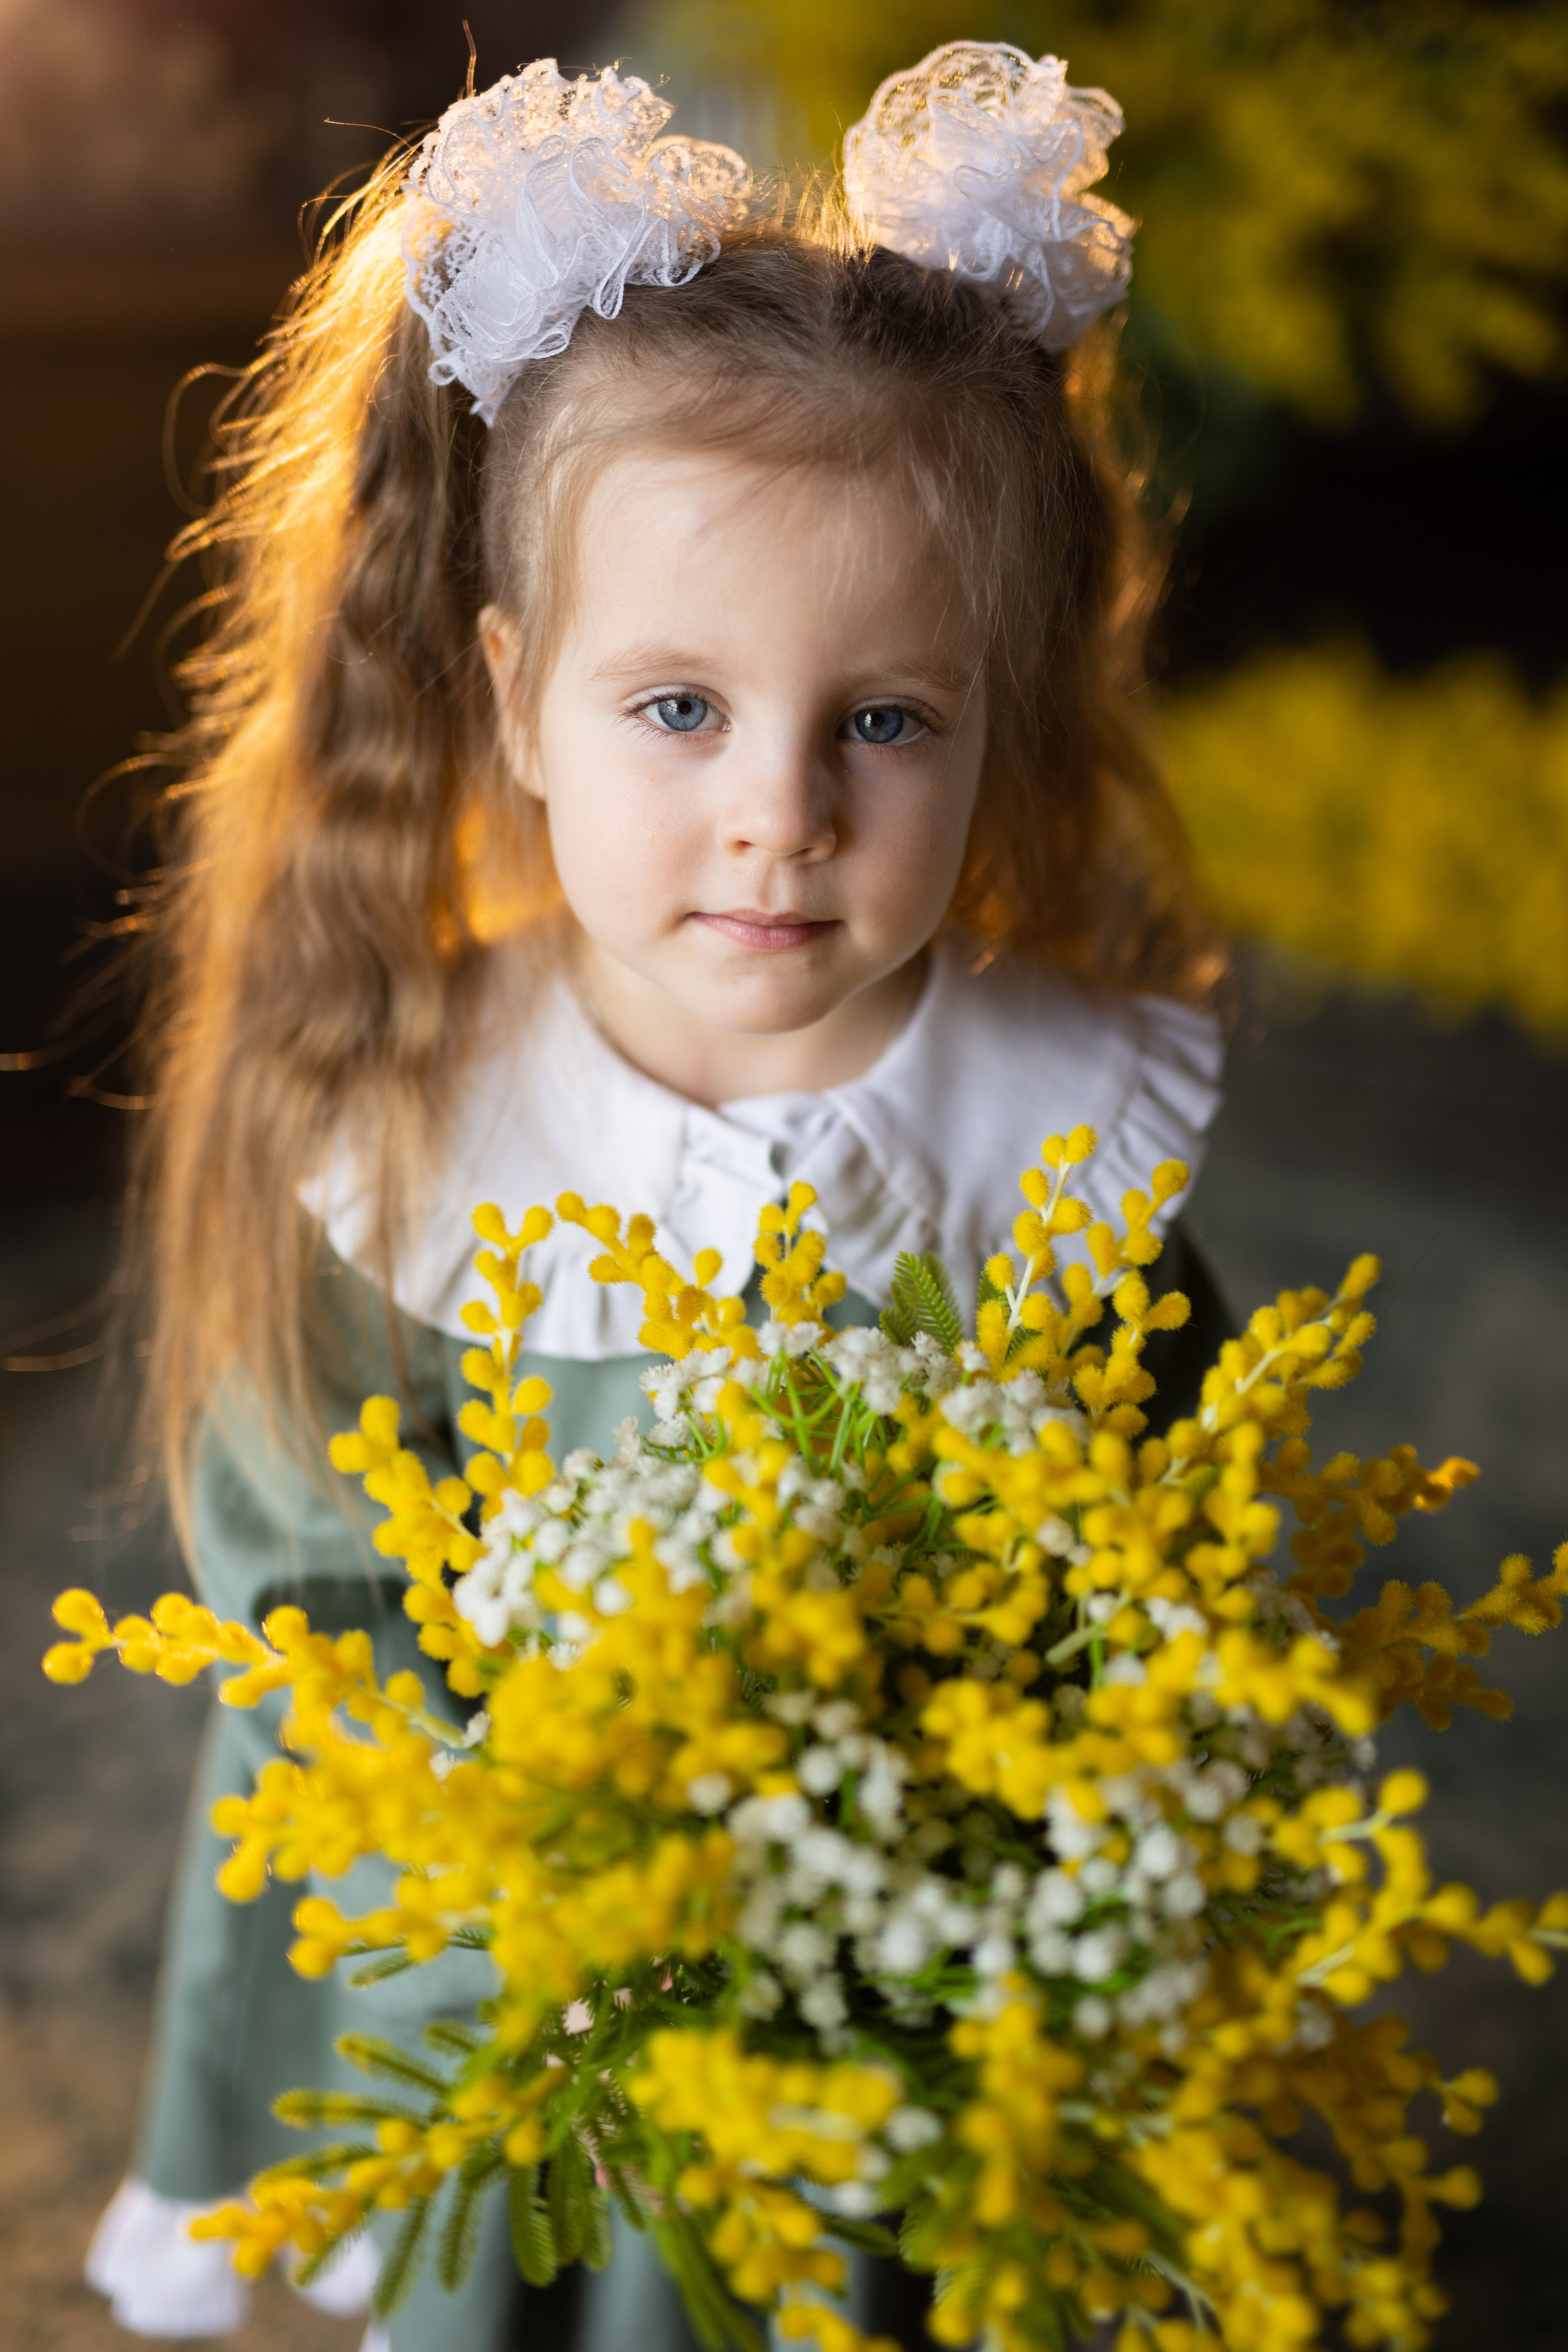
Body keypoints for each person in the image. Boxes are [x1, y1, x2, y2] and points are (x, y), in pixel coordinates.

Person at [85, 39, 1231, 2352]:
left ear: (997, 710)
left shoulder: (1056, 1138)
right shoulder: (411, 1117)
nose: (781, 815)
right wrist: (566, 1816)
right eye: (679, 708)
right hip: (537, 1925)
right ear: (518, 698)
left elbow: (1169, 1549)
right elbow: (307, 1573)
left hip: (890, 1939)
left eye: (882, 720)